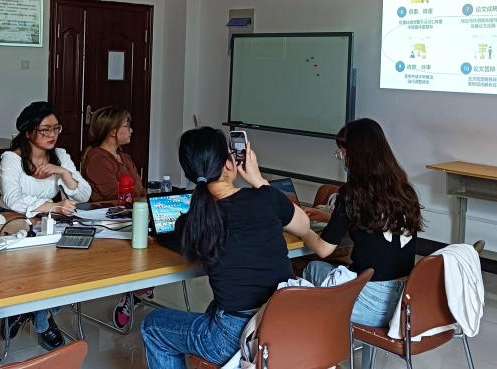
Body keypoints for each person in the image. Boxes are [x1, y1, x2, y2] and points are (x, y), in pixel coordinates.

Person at [140, 128, 310, 368]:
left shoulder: (192, 222)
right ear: (229, 164)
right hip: (284, 324)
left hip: (235, 337)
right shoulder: (267, 198)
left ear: (190, 173)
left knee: (153, 325)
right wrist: (258, 179)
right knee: (213, 309)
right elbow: (304, 225)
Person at [300, 118, 424, 328]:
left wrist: (302, 228)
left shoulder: (352, 193)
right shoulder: (405, 190)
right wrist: (331, 218)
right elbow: (377, 224)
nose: (342, 158)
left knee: (312, 268)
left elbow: (323, 249)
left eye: (343, 152)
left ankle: (317, 337)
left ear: (355, 155)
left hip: (369, 304)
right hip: (405, 302)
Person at [0, 101, 92, 351]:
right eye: (45, 130)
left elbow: (84, 194)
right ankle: (41, 321)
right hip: (13, 225)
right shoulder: (12, 158)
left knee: (75, 267)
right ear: (29, 132)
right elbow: (12, 199)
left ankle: (28, 312)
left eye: (56, 128)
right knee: (39, 267)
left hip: (49, 224)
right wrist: (53, 206)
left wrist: (63, 173)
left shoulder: (60, 155)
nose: (52, 134)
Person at [80, 106, 148, 329]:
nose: (131, 130)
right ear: (112, 131)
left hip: (131, 215)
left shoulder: (124, 157)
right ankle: (133, 291)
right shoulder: (97, 158)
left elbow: (139, 190)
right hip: (109, 223)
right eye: (127, 125)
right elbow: (114, 196)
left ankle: (141, 286)